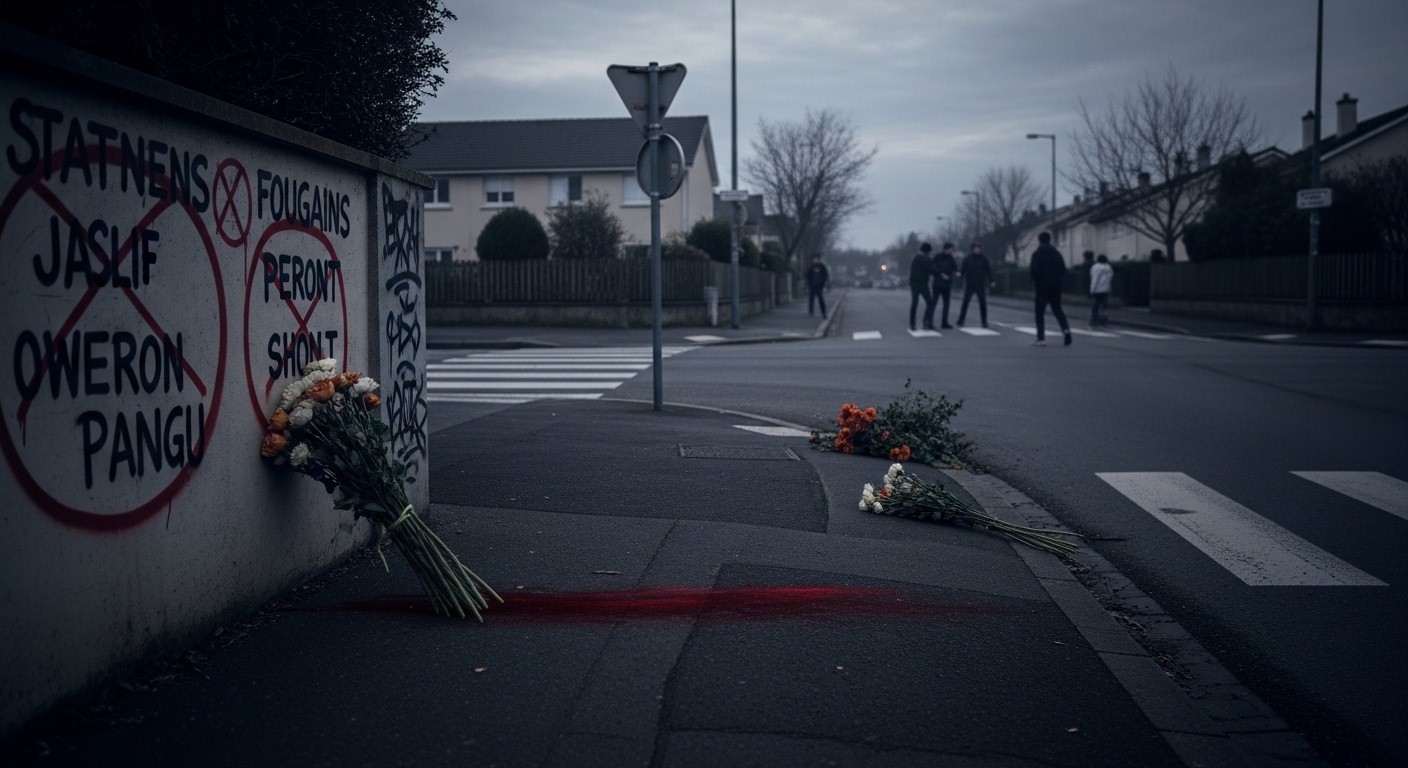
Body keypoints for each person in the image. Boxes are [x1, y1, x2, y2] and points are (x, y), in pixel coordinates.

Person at [1029, 231, 1071, 346]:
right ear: (1049, 240)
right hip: (1056, 286)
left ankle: (1041, 338)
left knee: (1040, 313)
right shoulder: (1057, 253)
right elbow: (1063, 269)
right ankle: (1066, 330)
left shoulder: (1037, 254)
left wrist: (1035, 281)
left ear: (1040, 240)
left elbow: (1034, 270)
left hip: (1042, 287)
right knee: (1058, 310)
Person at [955, 242, 994, 328]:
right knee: (965, 303)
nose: (977, 250)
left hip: (980, 284)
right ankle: (961, 320)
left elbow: (988, 271)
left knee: (982, 303)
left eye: (978, 248)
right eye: (975, 248)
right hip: (970, 284)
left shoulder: (984, 259)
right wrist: (960, 276)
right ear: (972, 249)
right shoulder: (968, 259)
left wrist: (991, 280)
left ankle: (984, 321)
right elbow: (963, 270)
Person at [908, 243, 935, 331]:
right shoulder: (926, 259)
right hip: (923, 284)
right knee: (930, 303)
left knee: (915, 303)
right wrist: (940, 274)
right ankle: (927, 321)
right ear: (927, 251)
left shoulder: (916, 258)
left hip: (914, 283)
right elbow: (931, 269)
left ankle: (913, 323)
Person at [930, 242, 958, 328]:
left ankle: (944, 322)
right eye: (951, 249)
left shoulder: (951, 258)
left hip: (947, 283)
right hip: (938, 283)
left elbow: (955, 267)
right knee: (934, 303)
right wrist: (940, 274)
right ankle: (929, 322)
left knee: (946, 304)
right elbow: (932, 268)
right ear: (947, 249)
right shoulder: (938, 257)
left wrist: (956, 273)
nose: (952, 251)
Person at [1089, 254, 1113, 327]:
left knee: (1095, 305)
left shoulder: (1096, 267)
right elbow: (1110, 278)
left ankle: (1094, 320)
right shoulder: (1108, 268)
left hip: (1097, 290)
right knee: (1104, 306)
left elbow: (1095, 279)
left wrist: (1092, 290)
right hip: (1106, 289)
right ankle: (1104, 320)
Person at [805, 253, 830, 318]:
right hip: (812, 286)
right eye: (814, 259)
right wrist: (808, 285)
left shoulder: (822, 267)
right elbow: (808, 276)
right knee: (811, 299)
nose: (815, 260)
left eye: (817, 259)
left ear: (819, 259)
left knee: (820, 299)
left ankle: (823, 312)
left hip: (819, 286)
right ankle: (811, 312)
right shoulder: (811, 267)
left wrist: (823, 284)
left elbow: (825, 275)